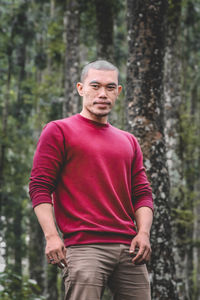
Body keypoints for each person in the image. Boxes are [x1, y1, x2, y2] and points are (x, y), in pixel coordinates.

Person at [29, 60, 153, 300]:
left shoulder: (129, 141)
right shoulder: (59, 130)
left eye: (109, 87)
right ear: (80, 88)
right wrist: (52, 236)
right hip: (84, 248)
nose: (102, 94)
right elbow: (40, 187)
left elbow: (143, 194)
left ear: (118, 92)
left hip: (130, 251)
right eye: (95, 86)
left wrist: (144, 233)